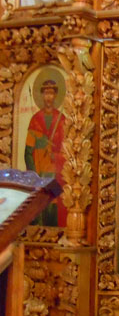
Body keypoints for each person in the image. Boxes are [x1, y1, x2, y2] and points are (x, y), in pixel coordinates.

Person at [24, 78, 66, 226]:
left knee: (52, 205)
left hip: (54, 170)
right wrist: (33, 174)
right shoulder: (35, 120)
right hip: (38, 168)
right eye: (46, 93)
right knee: (38, 204)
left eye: (51, 93)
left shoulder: (61, 120)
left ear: (55, 96)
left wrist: (56, 156)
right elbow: (28, 152)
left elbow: (67, 151)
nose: (49, 97)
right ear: (42, 95)